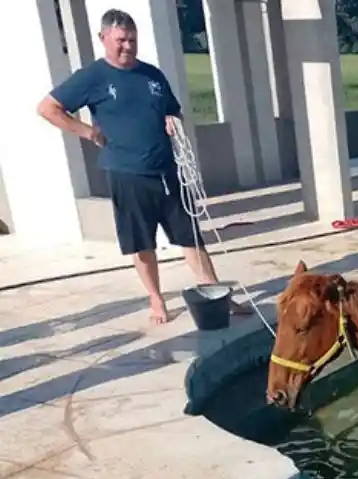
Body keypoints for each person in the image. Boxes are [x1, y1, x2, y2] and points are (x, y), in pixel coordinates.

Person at [37, 8, 251, 324]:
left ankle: (216, 294)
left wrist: (171, 120)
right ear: (103, 39)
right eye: (121, 40)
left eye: (132, 40)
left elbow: (173, 110)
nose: (127, 46)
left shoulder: (152, 75)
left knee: (191, 235)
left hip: (166, 171)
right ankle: (156, 299)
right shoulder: (92, 77)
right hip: (127, 174)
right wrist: (86, 131)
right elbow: (48, 108)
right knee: (142, 241)